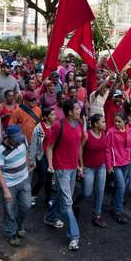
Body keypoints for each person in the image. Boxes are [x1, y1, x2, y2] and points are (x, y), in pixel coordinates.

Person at [44, 99, 85, 251]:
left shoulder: (80, 123)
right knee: (68, 202)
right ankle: (74, 236)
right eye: (76, 109)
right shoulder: (57, 126)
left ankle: (51, 217)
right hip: (61, 168)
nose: (79, 110)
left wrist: (80, 165)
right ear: (69, 112)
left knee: (64, 197)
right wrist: (50, 164)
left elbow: (79, 145)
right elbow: (49, 147)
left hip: (74, 167)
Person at [0, 125, 31, 246]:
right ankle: (11, 233)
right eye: (15, 140)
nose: (18, 142)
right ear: (8, 138)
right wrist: (5, 190)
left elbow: (26, 151)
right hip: (9, 184)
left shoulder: (22, 140)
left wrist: (27, 165)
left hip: (24, 179)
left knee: (26, 205)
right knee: (9, 210)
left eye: (19, 139)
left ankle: (19, 224)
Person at [106, 113, 131, 225]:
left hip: (126, 163)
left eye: (119, 121)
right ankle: (118, 212)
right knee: (121, 186)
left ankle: (113, 206)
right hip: (116, 164)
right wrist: (109, 165)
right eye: (115, 121)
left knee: (119, 186)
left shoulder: (129, 131)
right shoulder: (110, 132)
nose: (117, 123)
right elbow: (108, 149)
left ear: (125, 121)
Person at [80, 114, 108, 227]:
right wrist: (80, 166)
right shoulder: (86, 135)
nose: (105, 124)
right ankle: (77, 201)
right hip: (88, 167)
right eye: (103, 122)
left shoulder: (103, 134)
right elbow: (79, 149)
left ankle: (97, 215)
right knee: (87, 192)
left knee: (100, 191)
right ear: (96, 124)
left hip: (101, 166)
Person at [29, 107, 56, 207]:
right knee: (42, 179)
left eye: (54, 114)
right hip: (41, 156)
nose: (55, 116)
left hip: (52, 156)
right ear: (45, 117)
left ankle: (48, 198)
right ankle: (33, 194)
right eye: (52, 115)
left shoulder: (56, 126)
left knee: (49, 179)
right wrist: (32, 160)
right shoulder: (39, 128)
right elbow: (34, 145)